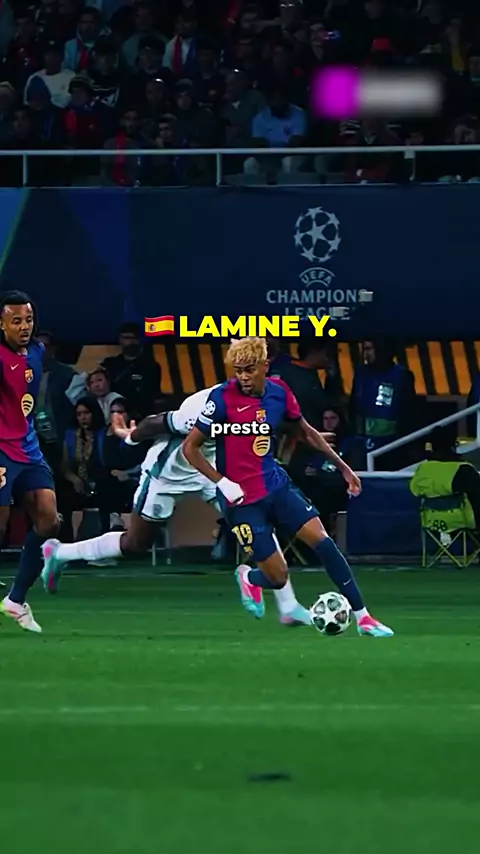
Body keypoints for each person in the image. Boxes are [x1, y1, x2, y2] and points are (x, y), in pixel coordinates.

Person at [41, 386, 312, 626]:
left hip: (212, 471)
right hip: (168, 473)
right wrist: (128, 435)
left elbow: (280, 425)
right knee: (136, 543)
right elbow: (154, 423)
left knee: (258, 520)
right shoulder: (205, 405)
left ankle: (288, 605)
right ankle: (60, 552)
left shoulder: (263, 400)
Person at [182, 337, 393, 638]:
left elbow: (306, 432)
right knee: (278, 577)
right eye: (238, 370)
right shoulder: (221, 398)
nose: (243, 377)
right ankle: (250, 577)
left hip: (275, 486)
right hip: (241, 501)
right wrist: (222, 482)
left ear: (265, 366)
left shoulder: (279, 393)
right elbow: (189, 448)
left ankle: (364, 618)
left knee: (324, 543)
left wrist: (343, 467)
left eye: (249, 370)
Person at [0, 290, 61, 632]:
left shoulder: (37, 351)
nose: (24, 326)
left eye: (28, 320)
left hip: (27, 446)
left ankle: (15, 599)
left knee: (49, 521)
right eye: (16, 321)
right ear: (1, 324)